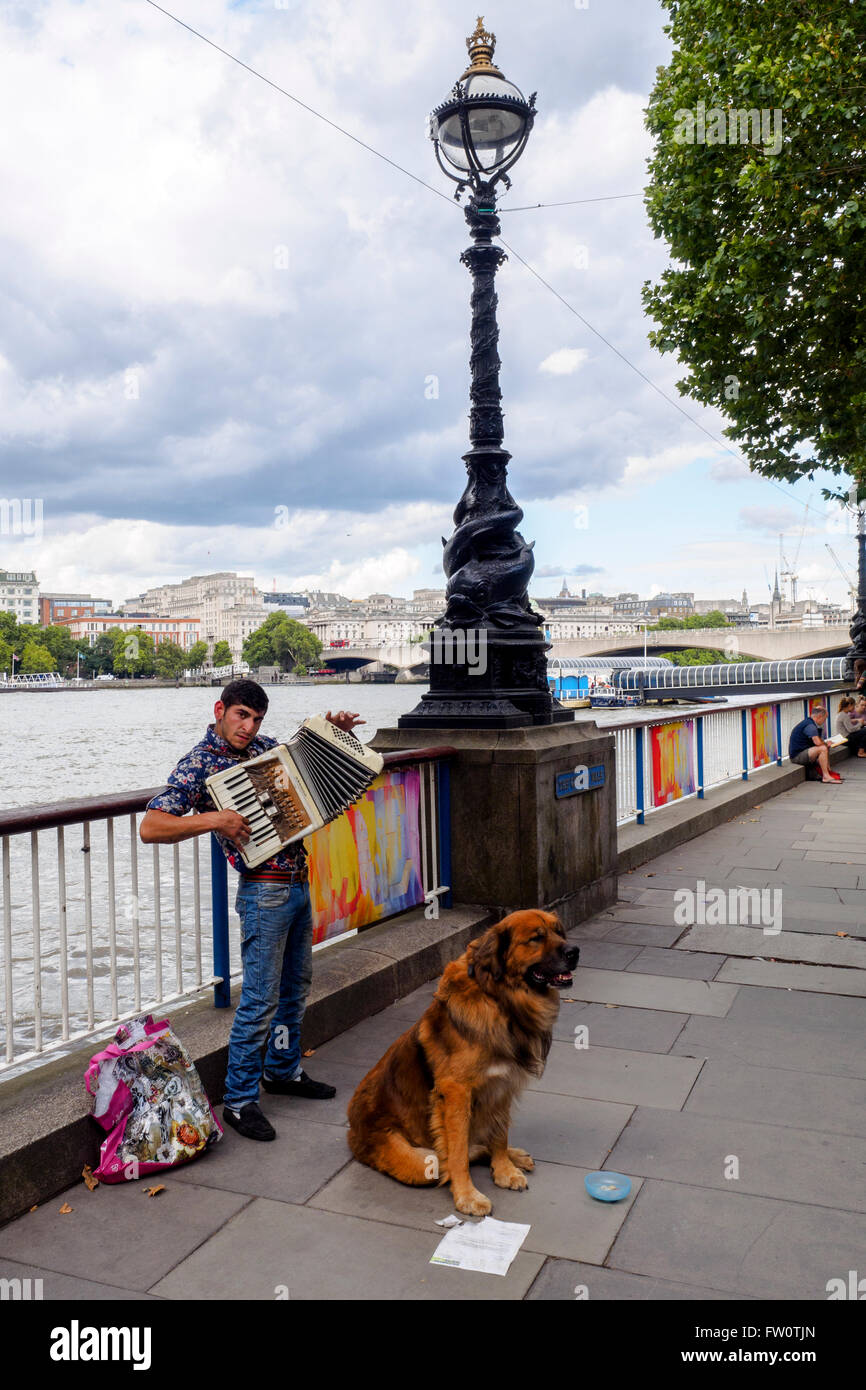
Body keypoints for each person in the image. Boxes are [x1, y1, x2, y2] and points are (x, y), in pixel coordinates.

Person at [139, 679, 364, 1141]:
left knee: (295, 989)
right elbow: (151, 826)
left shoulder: (265, 748)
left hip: (299, 885)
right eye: (241, 715)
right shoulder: (199, 763)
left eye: (257, 718)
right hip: (262, 893)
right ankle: (239, 1101)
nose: (249, 726)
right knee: (259, 999)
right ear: (220, 709)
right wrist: (214, 818)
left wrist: (339, 735)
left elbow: (315, 777)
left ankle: (282, 1071)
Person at [788, 704, 841, 783]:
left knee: (824, 747)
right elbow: (817, 742)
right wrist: (826, 744)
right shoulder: (810, 726)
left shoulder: (810, 722)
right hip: (797, 756)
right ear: (819, 716)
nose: (824, 721)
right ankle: (826, 777)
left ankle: (828, 772)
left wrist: (826, 744)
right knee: (823, 748)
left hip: (803, 752)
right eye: (825, 718)